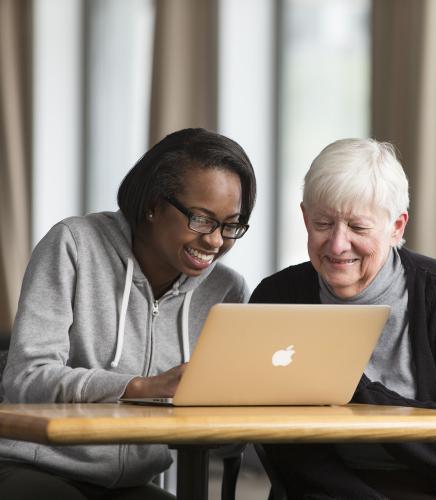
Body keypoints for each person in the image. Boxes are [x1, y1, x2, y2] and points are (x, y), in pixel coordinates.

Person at [251, 138, 436, 499]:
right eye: (323, 223)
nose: (338, 245)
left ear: (397, 226)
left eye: (358, 228)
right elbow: (286, 450)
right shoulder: (275, 300)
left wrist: (349, 389)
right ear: (304, 217)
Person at [0, 128, 256, 499]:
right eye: (202, 219)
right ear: (154, 204)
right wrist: (139, 389)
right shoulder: (74, 245)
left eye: (231, 224)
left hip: (133, 483)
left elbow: (223, 435)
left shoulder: (226, 291)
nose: (216, 240)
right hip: (30, 465)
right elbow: (26, 378)